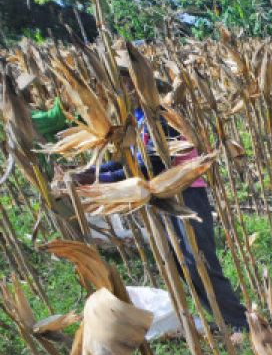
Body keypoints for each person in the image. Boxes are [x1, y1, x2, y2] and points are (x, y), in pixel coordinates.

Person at [75, 106, 249, 334]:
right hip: (163, 196)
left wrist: (100, 178)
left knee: (198, 263)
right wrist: (91, 172)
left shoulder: (160, 118)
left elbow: (151, 164)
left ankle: (241, 322)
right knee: (181, 263)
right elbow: (129, 161)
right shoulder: (137, 118)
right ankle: (225, 319)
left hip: (186, 195)